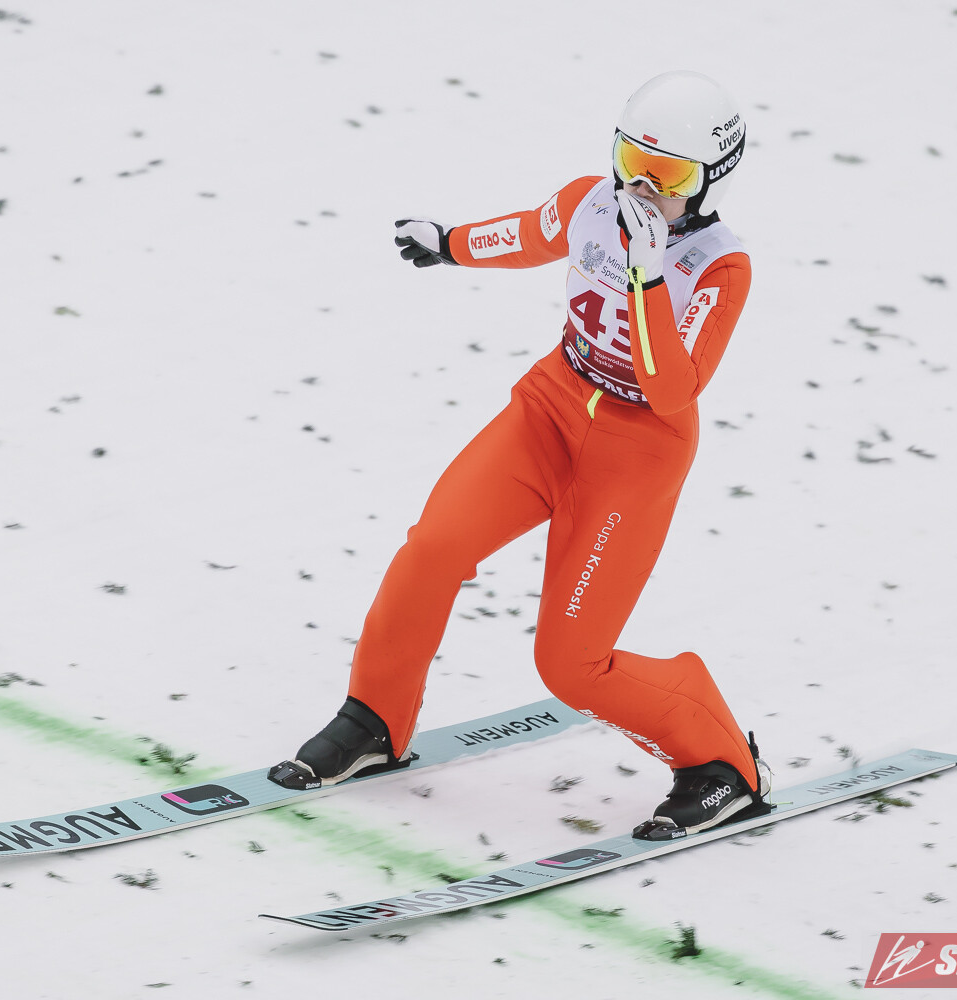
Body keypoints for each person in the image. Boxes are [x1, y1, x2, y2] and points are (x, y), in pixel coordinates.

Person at [268, 70, 771, 840]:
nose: (640, 188)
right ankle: (375, 719)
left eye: (666, 176)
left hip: (637, 454)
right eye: (630, 160)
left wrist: (646, 273)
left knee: (570, 667)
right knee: (434, 546)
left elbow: (672, 388)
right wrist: (449, 246)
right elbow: (531, 233)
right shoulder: (591, 202)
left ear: (712, 181)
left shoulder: (720, 268)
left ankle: (722, 762)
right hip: (552, 406)